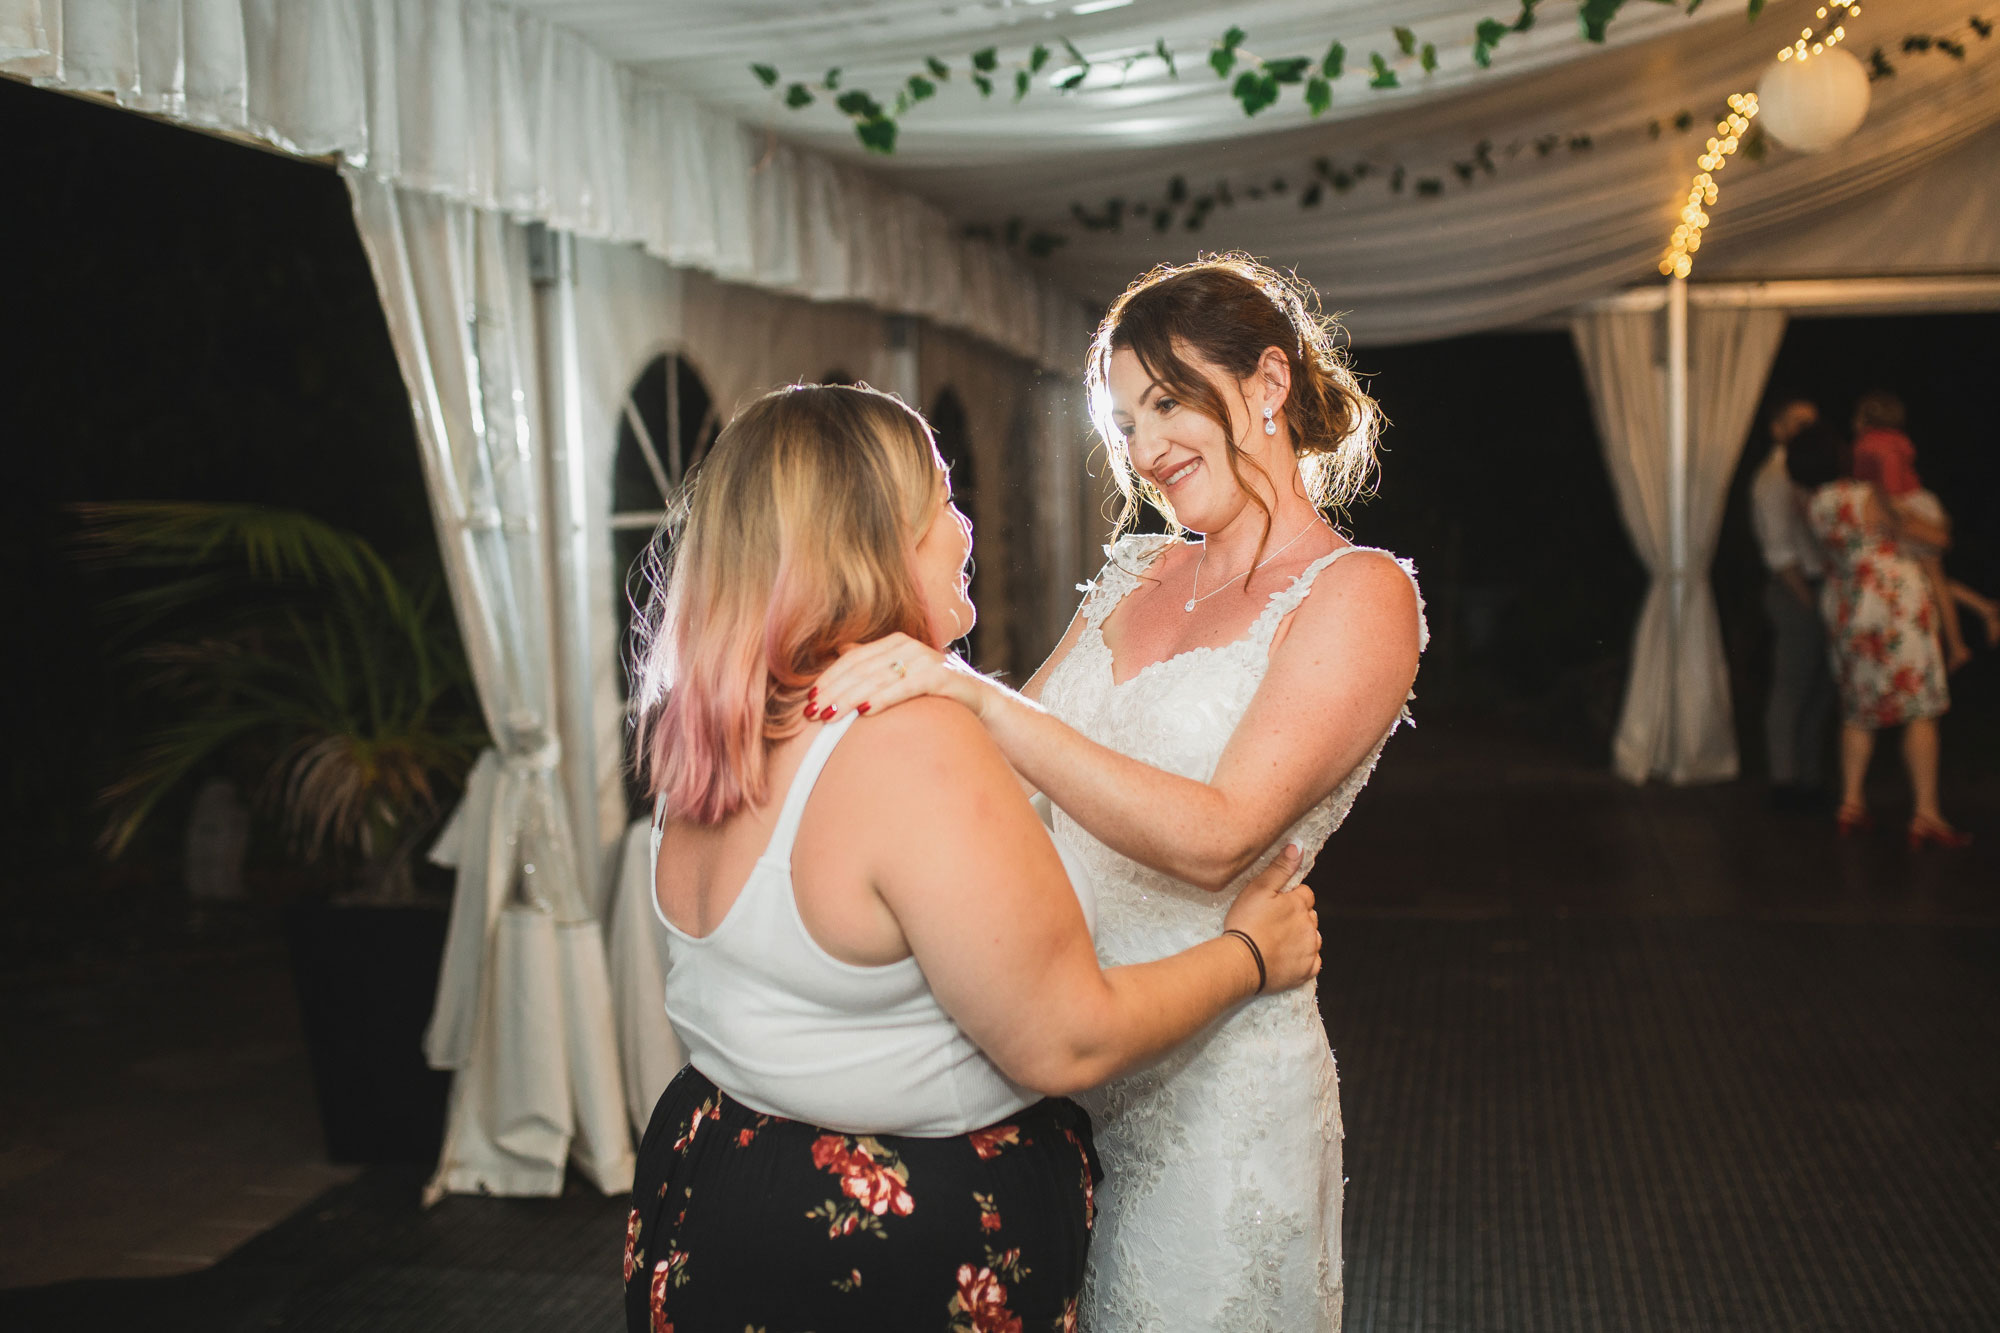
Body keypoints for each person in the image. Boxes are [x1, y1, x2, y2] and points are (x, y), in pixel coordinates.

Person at [621, 383, 1324, 1333]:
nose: (965, 527)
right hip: (883, 1248)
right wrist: (1249, 952)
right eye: (941, 504)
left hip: (715, 1183)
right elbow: (1068, 1038)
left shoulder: (710, 726)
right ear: (871, 541)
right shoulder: (911, 746)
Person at [812, 256, 1426, 1332]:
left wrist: (980, 700)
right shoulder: (1136, 571)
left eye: (1164, 402)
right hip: (1049, 1053)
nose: (1143, 450)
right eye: (1122, 422)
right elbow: (1004, 777)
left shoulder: (1357, 596)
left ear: (1267, 381)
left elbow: (1218, 836)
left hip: (1216, 1090)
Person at [1789, 418, 1970, 849]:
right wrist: (1921, 519)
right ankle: (1926, 813)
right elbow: (1932, 538)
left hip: (1850, 605)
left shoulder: (1812, 505)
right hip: (1893, 602)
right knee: (1920, 707)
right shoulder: (1866, 495)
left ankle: (1850, 803)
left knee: (1857, 707)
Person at [1851, 391, 2000, 670]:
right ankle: (1982, 609)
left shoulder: (1870, 443)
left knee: (1930, 579)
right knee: (1930, 578)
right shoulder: (1897, 440)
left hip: (1906, 508)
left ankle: (1957, 645)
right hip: (1921, 501)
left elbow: (1884, 487)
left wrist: (1900, 517)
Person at [1750, 394, 1835, 809]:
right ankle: (1784, 781)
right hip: (1796, 588)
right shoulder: (1774, 478)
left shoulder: (1815, 474)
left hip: (1823, 585)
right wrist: (1810, 602)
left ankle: (1809, 778)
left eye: (1812, 423)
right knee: (1793, 684)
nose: (1807, 431)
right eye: (1798, 423)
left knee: (1821, 686)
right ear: (1778, 429)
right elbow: (1779, 554)